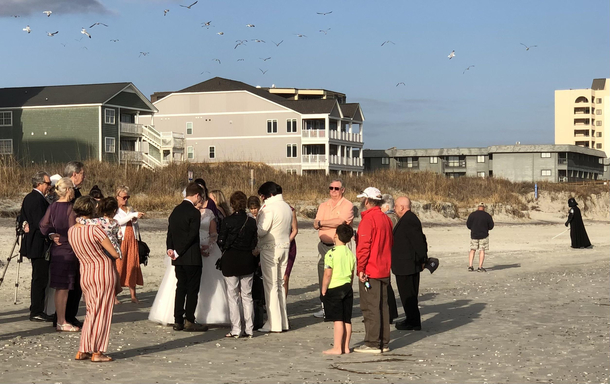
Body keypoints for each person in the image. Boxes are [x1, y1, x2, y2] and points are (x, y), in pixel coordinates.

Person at [68, 196, 120, 362]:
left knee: (91, 312)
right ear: (92, 210)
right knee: (102, 313)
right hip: (102, 271)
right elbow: (114, 253)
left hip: (85, 272)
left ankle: (83, 349)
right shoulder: (95, 229)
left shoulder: (72, 231)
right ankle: (97, 351)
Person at [353, 187, 393, 354]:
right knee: (382, 307)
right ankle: (383, 341)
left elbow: (364, 247)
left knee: (370, 307)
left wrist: (360, 269)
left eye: (363, 200)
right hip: (384, 268)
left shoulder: (368, 220)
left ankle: (372, 343)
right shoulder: (386, 219)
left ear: (367, 201)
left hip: (371, 270)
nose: (363, 202)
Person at [165, 182, 208, 332]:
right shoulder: (194, 212)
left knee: (180, 287)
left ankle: (178, 320)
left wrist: (170, 248)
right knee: (192, 289)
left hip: (178, 259)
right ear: (197, 195)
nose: (201, 200)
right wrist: (178, 251)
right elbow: (192, 236)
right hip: (191, 257)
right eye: (201, 197)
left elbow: (170, 232)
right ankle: (189, 319)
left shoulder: (175, 211)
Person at [39, 177, 80, 331]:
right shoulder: (70, 208)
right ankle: (62, 321)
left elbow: (43, 225)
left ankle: (61, 320)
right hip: (67, 249)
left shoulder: (53, 206)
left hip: (57, 250)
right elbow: (73, 229)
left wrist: (50, 234)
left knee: (60, 287)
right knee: (64, 287)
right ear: (68, 190)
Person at [218, 191, 258, 338]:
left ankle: (236, 329)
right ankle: (249, 328)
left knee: (233, 295)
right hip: (247, 259)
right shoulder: (251, 222)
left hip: (230, 260)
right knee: (247, 295)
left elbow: (221, 241)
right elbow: (254, 242)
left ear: (232, 204)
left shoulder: (227, 221)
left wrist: (226, 248)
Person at [313, 179, 354, 318]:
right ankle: (324, 305)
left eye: (336, 188)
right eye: (331, 188)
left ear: (342, 190)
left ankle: (340, 304)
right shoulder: (324, 205)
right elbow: (315, 223)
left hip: (340, 246)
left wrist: (323, 223)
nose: (333, 191)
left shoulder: (348, 205)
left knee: (339, 275)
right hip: (324, 245)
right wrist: (325, 224)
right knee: (323, 275)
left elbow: (340, 222)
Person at [256, 181, 292, 333]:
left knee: (270, 286)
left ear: (269, 195)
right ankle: (283, 322)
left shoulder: (269, 208)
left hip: (270, 248)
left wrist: (255, 225)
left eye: (263, 196)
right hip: (284, 247)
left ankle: (273, 323)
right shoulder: (286, 206)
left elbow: (262, 230)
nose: (262, 199)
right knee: (279, 285)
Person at [19, 171, 53, 322]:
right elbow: (41, 223)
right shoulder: (37, 199)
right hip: (38, 244)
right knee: (40, 278)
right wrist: (51, 234)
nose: (49, 186)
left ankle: (37, 308)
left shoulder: (30, 197)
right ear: (39, 183)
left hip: (34, 242)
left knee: (39, 277)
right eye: (47, 183)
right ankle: (37, 310)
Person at [392, 197, 428, 331]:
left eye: (396, 206)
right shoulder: (407, 219)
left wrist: (423, 259)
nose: (394, 208)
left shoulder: (409, 220)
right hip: (405, 264)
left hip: (407, 265)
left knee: (408, 295)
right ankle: (411, 319)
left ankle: (413, 322)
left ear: (402, 207)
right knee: (408, 294)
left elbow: (419, 241)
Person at [195, 189, 230, 325]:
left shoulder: (212, 213)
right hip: (197, 246)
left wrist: (209, 246)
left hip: (210, 246)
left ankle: (212, 312)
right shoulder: (193, 212)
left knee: (212, 279)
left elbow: (215, 232)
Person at [321, 224, 356, 355]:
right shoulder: (350, 254)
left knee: (338, 319)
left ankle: (337, 347)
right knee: (347, 319)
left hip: (335, 287)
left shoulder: (331, 253)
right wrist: (350, 284)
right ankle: (346, 346)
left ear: (336, 235)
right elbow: (352, 274)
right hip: (347, 286)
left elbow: (327, 273)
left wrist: (324, 288)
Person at [63, 161, 86, 327]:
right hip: (69, 241)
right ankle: (65, 315)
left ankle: (70, 314)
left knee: (77, 282)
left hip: (76, 239)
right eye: (82, 174)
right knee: (70, 282)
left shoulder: (77, 192)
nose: (84, 177)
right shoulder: (64, 194)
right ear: (74, 174)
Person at [114, 186, 144, 303]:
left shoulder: (129, 209)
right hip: (121, 240)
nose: (125, 200)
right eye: (123, 197)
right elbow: (118, 222)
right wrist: (132, 216)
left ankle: (133, 295)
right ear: (117, 197)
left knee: (133, 265)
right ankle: (114, 295)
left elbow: (133, 225)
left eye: (127, 197)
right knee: (119, 266)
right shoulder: (115, 210)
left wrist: (134, 219)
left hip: (132, 240)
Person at [246, 195, 265, 330]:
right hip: (251, 252)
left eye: (255, 208)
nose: (253, 210)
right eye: (251, 208)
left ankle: (259, 315)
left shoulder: (262, 216)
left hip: (260, 252)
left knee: (259, 286)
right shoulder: (248, 219)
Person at [380, 193, 399, 324]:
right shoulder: (395, 217)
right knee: (387, 284)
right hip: (392, 253)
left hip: (388, 253)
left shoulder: (389, 218)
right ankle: (390, 313)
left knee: (385, 284)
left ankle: (389, 313)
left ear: (386, 206)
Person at [466, 202, 494, 272]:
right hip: (484, 235)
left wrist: (473, 229)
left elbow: (468, 225)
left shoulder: (472, 215)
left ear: (478, 207)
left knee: (472, 249)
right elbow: (491, 226)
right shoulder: (487, 216)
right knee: (482, 250)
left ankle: (470, 266)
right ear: (484, 207)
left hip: (474, 234)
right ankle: (480, 267)